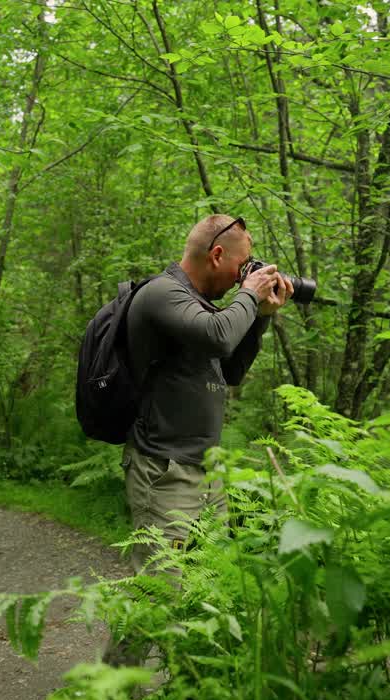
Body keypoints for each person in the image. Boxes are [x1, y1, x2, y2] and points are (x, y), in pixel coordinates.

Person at [121, 214, 291, 574]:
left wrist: (259, 316)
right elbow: (219, 336)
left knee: (206, 592)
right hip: (165, 471)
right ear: (216, 255)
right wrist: (249, 293)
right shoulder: (162, 293)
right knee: (161, 599)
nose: (241, 277)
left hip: (205, 472)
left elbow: (230, 369)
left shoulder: (199, 306)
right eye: (241, 267)